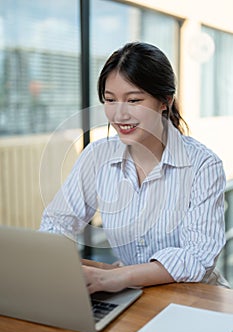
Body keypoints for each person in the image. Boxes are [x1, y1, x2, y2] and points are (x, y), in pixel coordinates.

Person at [40, 42, 230, 292]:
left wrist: (116, 277)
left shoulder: (203, 165)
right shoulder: (96, 157)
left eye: (133, 100)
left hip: (196, 297)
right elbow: (56, 225)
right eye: (110, 100)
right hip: (132, 294)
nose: (119, 115)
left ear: (165, 101)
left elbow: (197, 257)